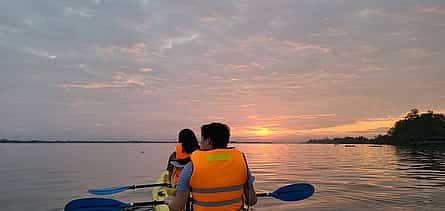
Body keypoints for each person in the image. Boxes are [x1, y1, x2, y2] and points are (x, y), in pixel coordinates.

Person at [167, 122, 257, 211]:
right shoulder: (241, 162)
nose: (200, 142)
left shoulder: (191, 166)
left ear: (208, 141)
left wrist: (170, 201)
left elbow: (178, 207)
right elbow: (252, 200)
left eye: (202, 139)